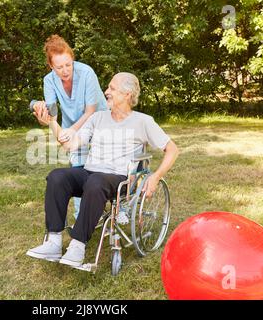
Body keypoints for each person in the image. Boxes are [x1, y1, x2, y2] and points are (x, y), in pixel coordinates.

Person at [27, 72, 179, 268]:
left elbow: (173, 150)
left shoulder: (143, 121)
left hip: (120, 179)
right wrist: (52, 122)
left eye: (112, 89)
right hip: (90, 173)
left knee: (96, 182)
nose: (106, 91)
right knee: (57, 176)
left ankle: (77, 246)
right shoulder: (98, 118)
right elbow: (69, 144)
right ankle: (53, 242)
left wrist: (156, 177)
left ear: (127, 94)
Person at [32, 35, 107, 220]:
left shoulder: (87, 73)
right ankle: (82, 216)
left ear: (72, 59)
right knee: (78, 168)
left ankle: (120, 210)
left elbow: (91, 111)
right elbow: (53, 115)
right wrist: (46, 121)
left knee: (106, 166)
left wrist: (72, 131)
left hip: (99, 121)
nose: (65, 70)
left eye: (68, 64)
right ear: (51, 67)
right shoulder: (49, 81)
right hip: (70, 125)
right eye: (59, 67)